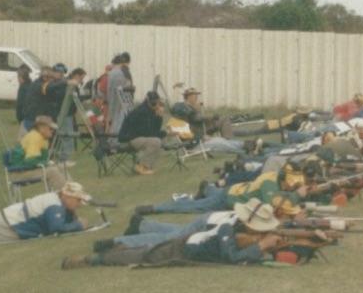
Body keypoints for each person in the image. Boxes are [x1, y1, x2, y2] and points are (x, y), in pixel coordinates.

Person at [63, 200, 299, 269]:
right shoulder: (229, 229)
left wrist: (268, 246)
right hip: (180, 249)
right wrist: (262, 246)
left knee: (143, 250)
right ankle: (93, 258)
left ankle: (116, 245)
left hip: (185, 247)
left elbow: (242, 253)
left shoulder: (241, 232)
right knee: (139, 255)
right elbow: (231, 257)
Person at [135, 167, 307, 218]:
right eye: (291, 184)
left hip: (232, 193)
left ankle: (208, 188)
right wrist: (298, 195)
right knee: (193, 207)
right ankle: (153, 208)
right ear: (284, 180)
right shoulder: (270, 184)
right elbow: (273, 206)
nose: (291, 187)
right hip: (229, 200)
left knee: (211, 195)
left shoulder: (275, 177)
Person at [6, 115, 67, 190]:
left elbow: (41, 160)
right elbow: (30, 161)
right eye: (50, 129)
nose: (53, 131)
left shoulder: (44, 139)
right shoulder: (34, 137)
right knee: (52, 171)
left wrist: (50, 163)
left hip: (27, 170)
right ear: (41, 128)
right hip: (19, 173)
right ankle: (69, 195)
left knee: (61, 168)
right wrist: (47, 163)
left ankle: (74, 193)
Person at [117, 91, 167, 175]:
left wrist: (159, 117)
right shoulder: (141, 112)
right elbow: (149, 133)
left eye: (156, 103)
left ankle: (147, 166)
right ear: (147, 101)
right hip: (129, 138)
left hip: (138, 137)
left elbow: (154, 130)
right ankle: (141, 166)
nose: (156, 105)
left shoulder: (150, 110)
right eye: (153, 103)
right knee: (156, 141)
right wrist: (165, 132)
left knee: (159, 140)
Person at [105, 52, 135, 134]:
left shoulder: (112, 73)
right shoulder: (122, 72)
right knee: (118, 123)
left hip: (115, 101)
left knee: (114, 122)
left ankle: (113, 140)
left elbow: (110, 90)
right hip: (122, 102)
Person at [13, 65, 34, 137]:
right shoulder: (32, 85)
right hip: (33, 117)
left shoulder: (22, 88)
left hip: (24, 118)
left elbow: (20, 104)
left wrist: (19, 118)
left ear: (21, 77)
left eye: (18, 77)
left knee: (23, 142)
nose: (17, 79)